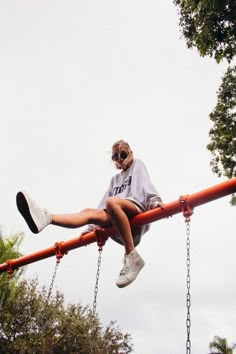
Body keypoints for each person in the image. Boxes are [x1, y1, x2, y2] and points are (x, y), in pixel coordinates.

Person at [16, 140, 163, 288]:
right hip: (118, 217)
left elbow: (145, 185)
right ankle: (46, 218)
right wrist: (91, 226)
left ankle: (131, 255)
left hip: (135, 211)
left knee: (112, 202)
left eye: (122, 154)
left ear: (130, 153)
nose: (119, 159)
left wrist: (155, 202)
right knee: (89, 212)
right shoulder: (115, 180)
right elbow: (103, 203)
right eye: (115, 157)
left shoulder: (137, 165)